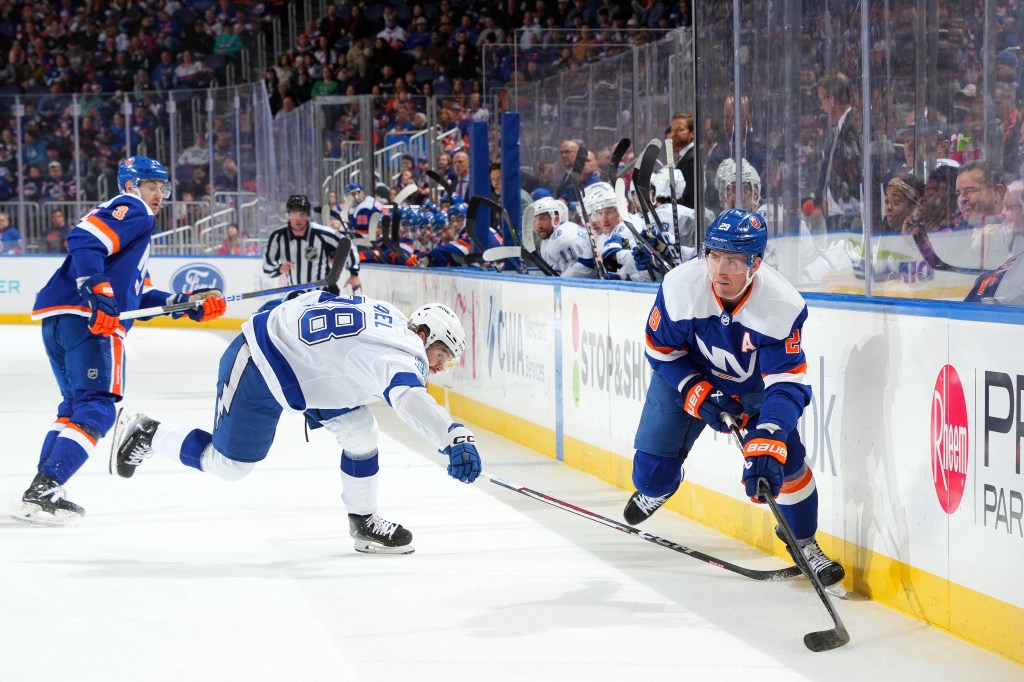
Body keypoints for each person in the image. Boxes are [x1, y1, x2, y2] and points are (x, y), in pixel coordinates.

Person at [108, 297, 482, 554]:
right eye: (441, 355)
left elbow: (315, 300)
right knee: (228, 466)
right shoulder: (405, 352)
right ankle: (148, 432)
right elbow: (409, 398)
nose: (437, 366)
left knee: (361, 432)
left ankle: (363, 521)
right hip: (260, 369)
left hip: (304, 369)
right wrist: (453, 436)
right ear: (425, 335)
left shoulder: (384, 312)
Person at [622, 208, 845, 588]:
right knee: (651, 476)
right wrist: (695, 389)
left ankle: (804, 541)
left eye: (734, 260)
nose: (721, 270)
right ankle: (660, 487)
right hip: (686, 371)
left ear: (756, 263)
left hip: (753, 385)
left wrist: (770, 434)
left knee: (783, 461)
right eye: (714, 255)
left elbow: (787, 383)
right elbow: (660, 351)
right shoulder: (681, 284)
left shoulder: (780, 304)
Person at [15, 157, 227, 526]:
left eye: (162, 187)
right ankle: (46, 488)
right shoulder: (134, 209)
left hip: (62, 320)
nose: (158, 194)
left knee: (74, 407)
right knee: (98, 408)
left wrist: (184, 304)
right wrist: (96, 289)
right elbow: (83, 238)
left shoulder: (133, 237)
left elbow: (140, 299)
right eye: (151, 185)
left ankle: (42, 489)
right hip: (89, 322)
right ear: (131, 186)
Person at [263, 194, 361, 291]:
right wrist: (279, 268)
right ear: (288, 214)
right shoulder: (278, 236)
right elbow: (267, 267)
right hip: (296, 297)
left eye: (302, 214)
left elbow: (347, 244)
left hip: (323, 294)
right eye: (294, 214)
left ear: (308, 215)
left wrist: (354, 273)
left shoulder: (322, 233)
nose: (298, 219)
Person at [816, 72, 862, 231]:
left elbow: (853, 177)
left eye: (821, 101)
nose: (821, 107)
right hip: (840, 216)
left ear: (832, 100)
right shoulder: (842, 127)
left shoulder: (850, 129)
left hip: (847, 220)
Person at [531, 196, 589, 275]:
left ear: (556, 218)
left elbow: (573, 280)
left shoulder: (564, 240)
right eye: (535, 221)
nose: (538, 226)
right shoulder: (548, 239)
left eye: (542, 219)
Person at [670, 112, 696, 210]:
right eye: (673, 130)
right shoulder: (686, 157)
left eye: (680, 130)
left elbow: (693, 196)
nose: (674, 134)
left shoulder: (691, 159)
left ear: (692, 133)